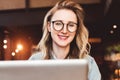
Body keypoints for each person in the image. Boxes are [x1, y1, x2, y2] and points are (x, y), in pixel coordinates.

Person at [29, 0, 101, 80]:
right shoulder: (34, 61)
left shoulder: (89, 63)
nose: (64, 31)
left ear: (76, 29)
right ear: (49, 26)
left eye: (71, 25)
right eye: (58, 23)